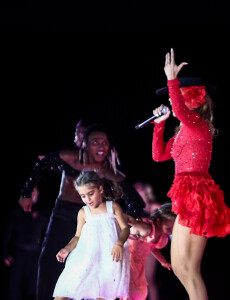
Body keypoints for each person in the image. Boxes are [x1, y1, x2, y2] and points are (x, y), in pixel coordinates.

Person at [19, 123, 145, 300]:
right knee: (50, 263)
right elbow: (43, 164)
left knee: (90, 270)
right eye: (95, 142)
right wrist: (26, 192)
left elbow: (136, 202)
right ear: (85, 144)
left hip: (94, 224)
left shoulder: (109, 172)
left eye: (105, 142)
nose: (101, 146)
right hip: (63, 215)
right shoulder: (71, 158)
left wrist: (127, 225)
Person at [151, 48, 230, 300]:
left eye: (176, 95)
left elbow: (178, 109)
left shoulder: (197, 125)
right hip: (185, 197)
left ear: (188, 97)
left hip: (197, 195)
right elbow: (158, 156)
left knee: (190, 269)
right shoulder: (183, 131)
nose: (171, 100)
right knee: (179, 267)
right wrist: (159, 125)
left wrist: (171, 79)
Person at [53, 170, 130, 300]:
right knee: (64, 291)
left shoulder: (113, 207)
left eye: (90, 194)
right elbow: (77, 236)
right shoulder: (84, 212)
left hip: (107, 259)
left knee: (101, 294)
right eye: (83, 196)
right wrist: (67, 248)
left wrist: (119, 243)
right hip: (85, 257)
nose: (87, 199)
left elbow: (125, 228)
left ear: (100, 189)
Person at [121, 202, 176, 300]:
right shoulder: (146, 228)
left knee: (139, 293)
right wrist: (123, 232)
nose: (170, 232)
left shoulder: (159, 235)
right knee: (130, 292)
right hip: (127, 261)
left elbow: (152, 247)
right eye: (168, 228)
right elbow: (127, 218)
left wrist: (163, 261)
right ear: (158, 221)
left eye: (173, 230)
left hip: (138, 266)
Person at [2, 188, 49, 300]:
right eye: (31, 193)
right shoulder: (17, 213)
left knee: (32, 287)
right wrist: (5, 253)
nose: (33, 196)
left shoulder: (41, 213)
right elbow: (7, 233)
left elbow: (48, 233)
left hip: (34, 254)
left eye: (35, 193)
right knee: (15, 286)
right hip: (19, 252)